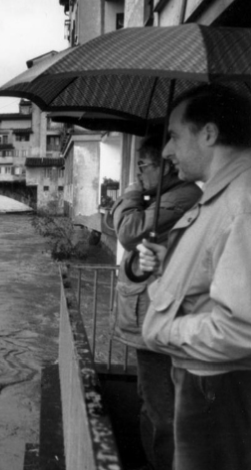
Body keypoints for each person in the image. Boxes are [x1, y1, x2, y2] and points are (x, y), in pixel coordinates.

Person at [138, 84, 251, 470]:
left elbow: (243, 329)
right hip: (206, 384)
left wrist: (164, 330)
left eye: (172, 135)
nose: (166, 151)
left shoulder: (243, 201)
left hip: (218, 390)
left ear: (209, 133)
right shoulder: (220, 196)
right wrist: (165, 268)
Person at [110, 133, 201, 470]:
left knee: (161, 412)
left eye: (143, 166)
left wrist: (132, 193)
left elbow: (128, 231)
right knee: (153, 405)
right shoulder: (167, 197)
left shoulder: (181, 197)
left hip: (158, 320)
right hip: (151, 317)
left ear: (163, 167)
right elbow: (117, 223)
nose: (138, 175)